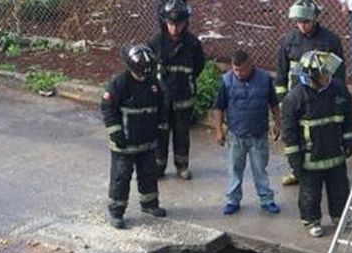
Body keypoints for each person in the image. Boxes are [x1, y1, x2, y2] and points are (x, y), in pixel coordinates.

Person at [281, 50, 352, 238]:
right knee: (310, 192)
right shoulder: (295, 98)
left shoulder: (338, 89)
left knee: (340, 189)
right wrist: (294, 159)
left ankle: (340, 217)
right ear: (311, 77)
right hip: (310, 157)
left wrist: (349, 139)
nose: (328, 77)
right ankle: (312, 221)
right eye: (324, 74)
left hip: (335, 152)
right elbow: (289, 133)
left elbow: (348, 117)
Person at [276, 0, 346, 187]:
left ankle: (325, 172)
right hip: (296, 101)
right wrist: (282, 101)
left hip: (322, 99)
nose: (302, 26)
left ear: (315, 18)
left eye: (306, 22)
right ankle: (296, 170)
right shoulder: (289, 41)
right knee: (295, 137)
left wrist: (339, 100)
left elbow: (338, 76)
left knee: (321, 135)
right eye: (298, 22)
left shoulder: (329, 41)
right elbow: (281, 74)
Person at [101, 44, 168, 229]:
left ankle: (149, 204)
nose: (144, 75)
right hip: (124, 145)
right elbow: (107, 108)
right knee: (121, 178)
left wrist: (161, 129)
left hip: (147, 143)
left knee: (149, 175)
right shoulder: (119, 84)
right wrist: (115, 132)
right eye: (141, 72)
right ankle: (116, 212)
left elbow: (161, 108)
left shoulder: (153, 84)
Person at [212, 49, 282, 216]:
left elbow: (274, 104)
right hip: (236, 134)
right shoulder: (226, 81)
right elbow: (218, 108)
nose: (239, 73)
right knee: (234, 169)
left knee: (260, 169)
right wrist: (218, 131)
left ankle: (266, 199)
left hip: (259, 134)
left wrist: (277, 124)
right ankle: (233, 200)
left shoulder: (264, 79)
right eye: (235, 70)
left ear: (250, 64)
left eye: (242, 70)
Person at [147, 0, 205, 180]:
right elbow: (147, 67)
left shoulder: (192, 43)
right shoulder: (155, 41)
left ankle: (182, 166)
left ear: (185, 23)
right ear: (164, 22)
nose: (174, 29)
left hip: (183, 96)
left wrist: (186, 81)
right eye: (171, 24)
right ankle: (159, 166)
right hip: (161, 98)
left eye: (178, 24)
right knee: (160, 132)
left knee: (182, 133)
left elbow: (199, 65)